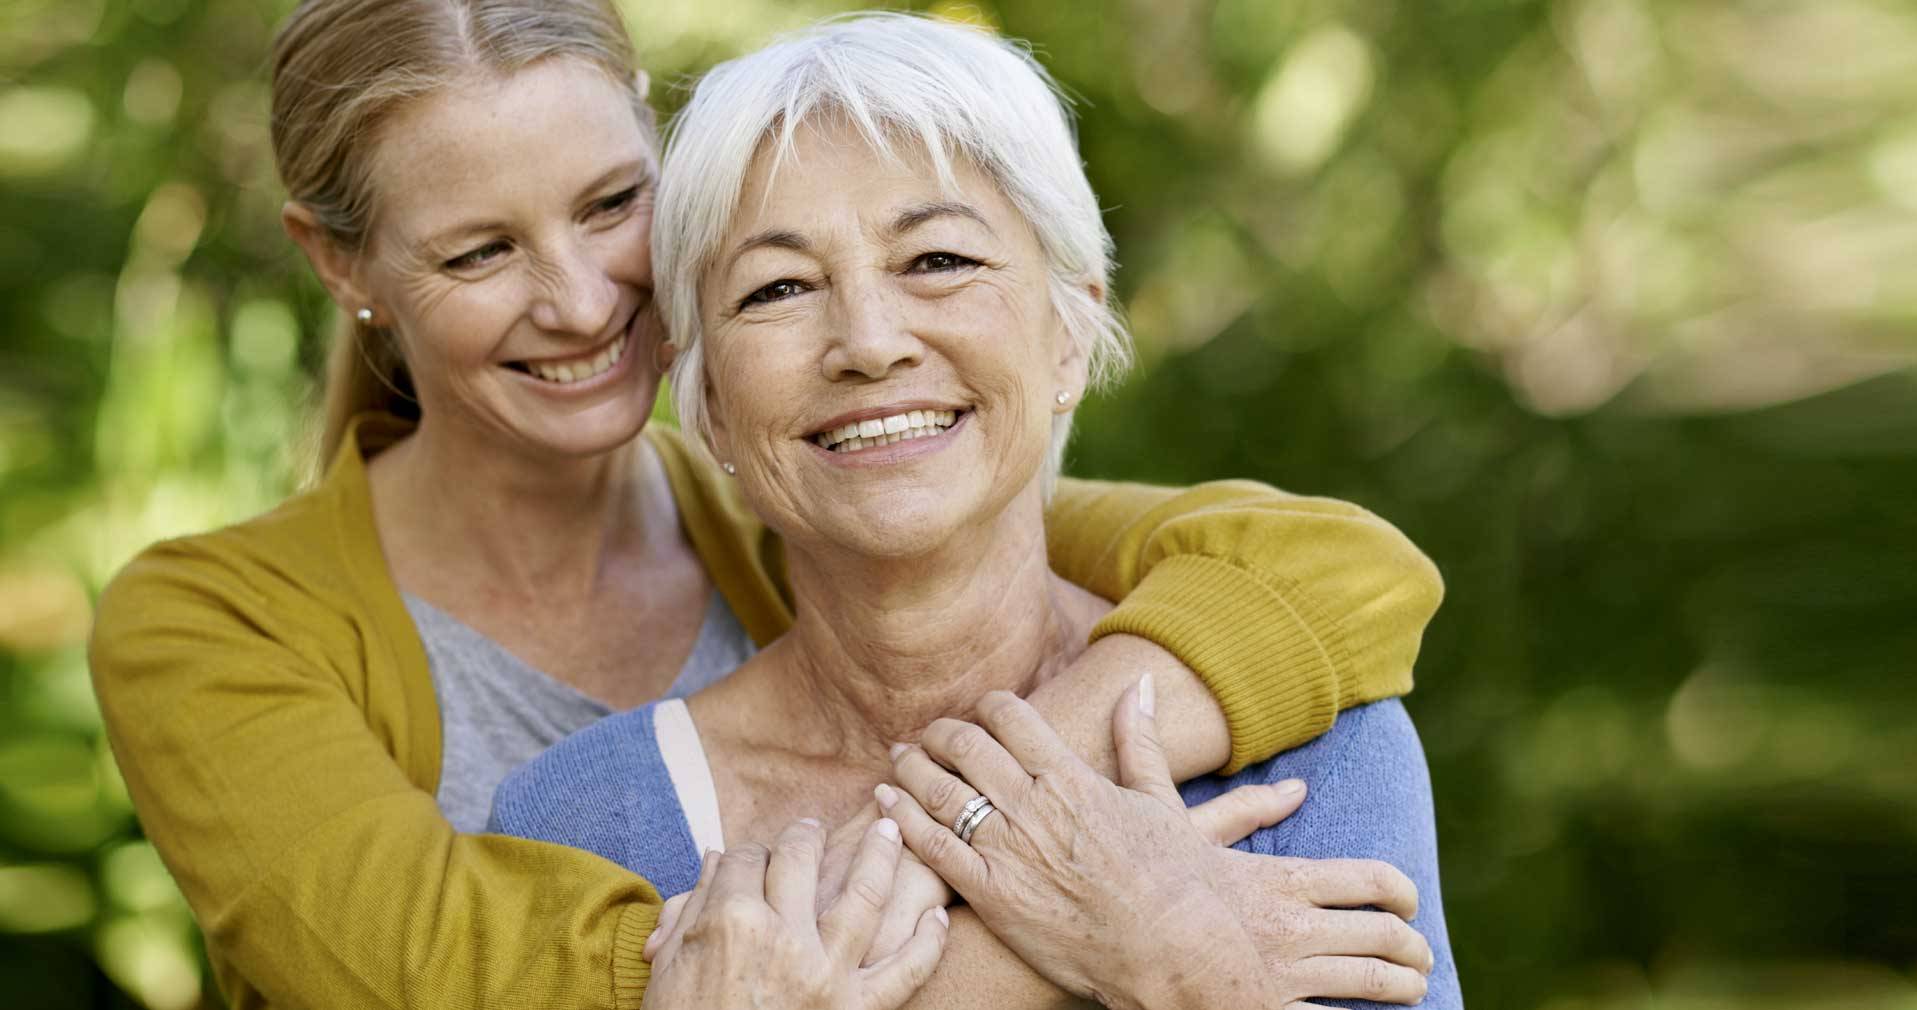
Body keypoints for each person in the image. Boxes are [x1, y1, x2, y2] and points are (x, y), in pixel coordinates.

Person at [86, 1, 1444, 1008]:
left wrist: (1023, 796)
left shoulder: (832, 500)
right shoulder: (215, 628)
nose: (579, 298)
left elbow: (1322, 571)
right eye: (481, 249)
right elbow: (434, 976)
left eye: (613, 204)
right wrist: (1144, 947)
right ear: (342, 264)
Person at [490, 14, 1457, 1008]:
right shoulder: (577, 819)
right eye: (779, 287)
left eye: (938, 260)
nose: (868, 340)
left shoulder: (1314, 750)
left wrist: (1200, 973)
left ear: (1070, 336)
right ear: (708, 404)